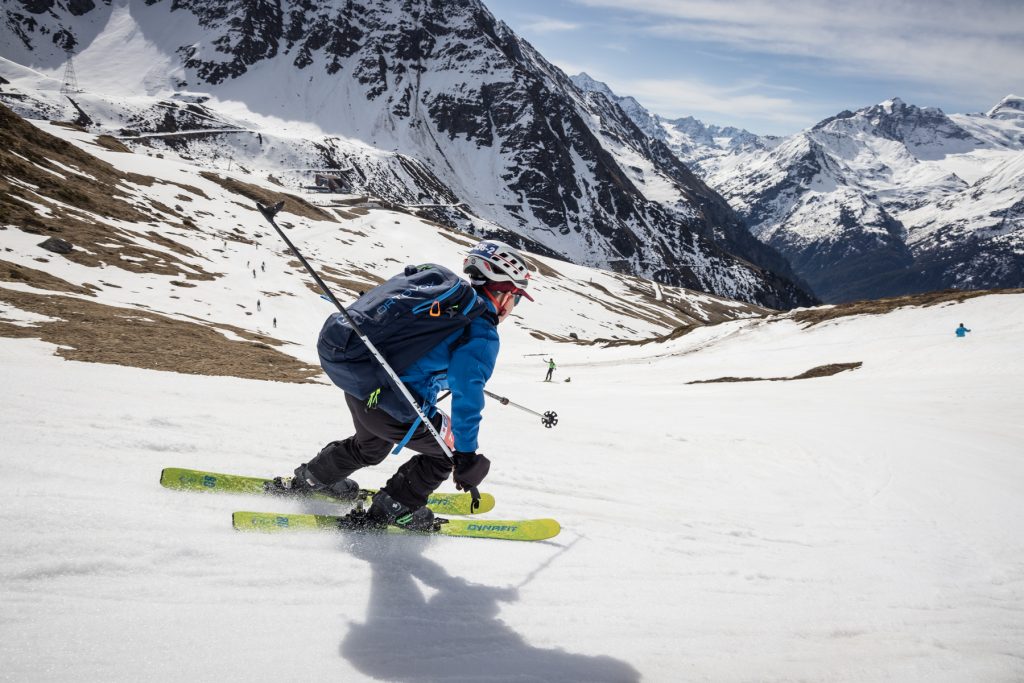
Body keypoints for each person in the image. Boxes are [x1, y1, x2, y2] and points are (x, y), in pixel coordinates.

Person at [283, 240, 534, 530]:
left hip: (363, 383)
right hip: (392, 403)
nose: (513, 306)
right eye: (517, 298)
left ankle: (312, 479)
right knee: (448, 451)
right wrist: (466, 456)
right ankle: (395, 507)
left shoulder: (444, 304)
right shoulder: (481, 331)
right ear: (506, 294)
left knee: (371, 448)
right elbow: (467, 390)